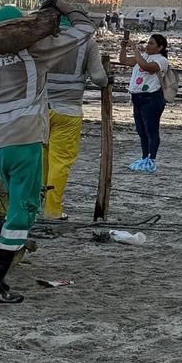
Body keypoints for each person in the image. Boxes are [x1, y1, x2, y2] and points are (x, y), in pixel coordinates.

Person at [0, 0, 94, 305]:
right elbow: (85, 29)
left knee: (13, 208)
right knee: (24, 213)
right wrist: (61, 6)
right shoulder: (35, 51)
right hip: (25, 138)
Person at [42, 16, 109, 220]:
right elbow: (98, 78)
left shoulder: (44, 41)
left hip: (39, 110)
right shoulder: (87, 44)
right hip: (68, 111)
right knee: (60, 162)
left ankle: (35, 205)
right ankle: (52, 211)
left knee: (41, 159)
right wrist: (108, 79)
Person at [120, 33, 169, 173]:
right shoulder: (144, 56)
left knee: (151, 130)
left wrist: (135, 49)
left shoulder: (161, 60)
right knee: (141, 130)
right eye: (148, 42)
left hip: (152, 98)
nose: (148, 45)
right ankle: (144, 157)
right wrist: (123, 48)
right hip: (138, 97)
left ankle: (151, 158)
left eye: (151, 43)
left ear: (160, 48)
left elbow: (146, 66)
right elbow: (124, 60)